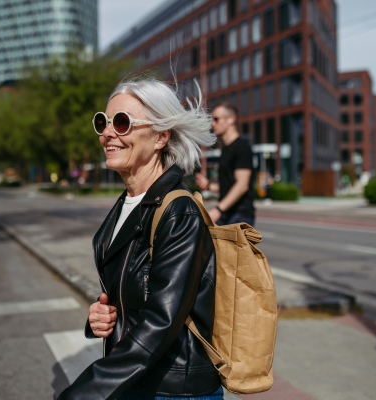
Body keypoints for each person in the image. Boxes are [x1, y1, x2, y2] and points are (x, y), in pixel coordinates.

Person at [57, 79, 222, 400]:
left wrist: (85, 392)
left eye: (122, 123)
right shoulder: (126, 205)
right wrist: (100, 317)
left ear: (161, 136)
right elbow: (136, 290)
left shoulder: (179, 211)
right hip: (137, 380)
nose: (107, 133)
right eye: (102, 122)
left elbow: (162, 320)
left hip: (173, 391)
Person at [195, 104, 255, 226]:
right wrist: (209, 186)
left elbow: (242, 185)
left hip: (240, 215)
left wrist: (218, 210)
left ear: (231, 119)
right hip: (228, 214)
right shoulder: (226, 149)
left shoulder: (241, 148)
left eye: (216, 119)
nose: (212, 124)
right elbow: (229, 185)